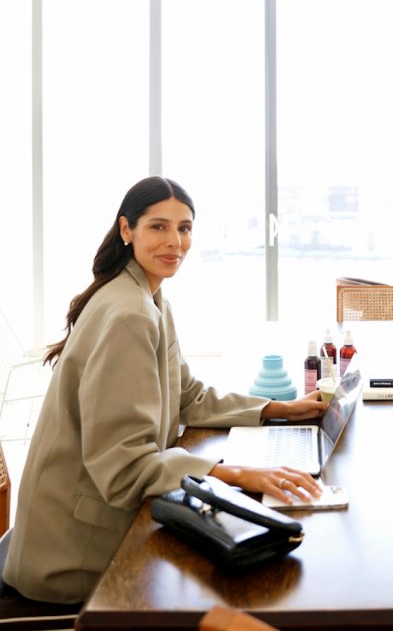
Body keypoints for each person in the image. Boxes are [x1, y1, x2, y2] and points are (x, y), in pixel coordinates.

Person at [4, 176, 325, 604]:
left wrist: (279, 409)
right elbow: (124, 470)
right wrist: (233, 475)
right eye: (158, 226)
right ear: (126, 230)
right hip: (71, 553)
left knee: (238, 543)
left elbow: (186, 395)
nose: (175, 241)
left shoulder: (149, 297)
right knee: (236, 577)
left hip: (84, 521)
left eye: (185, 228)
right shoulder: (128, 315)